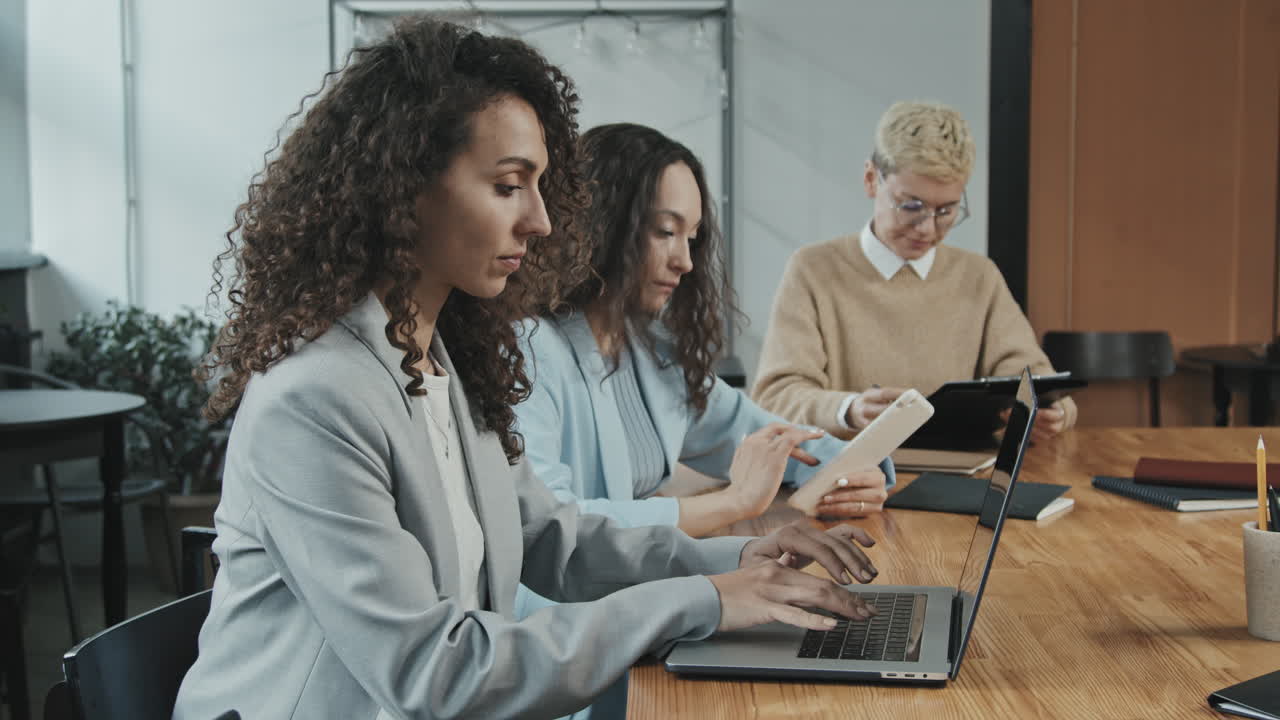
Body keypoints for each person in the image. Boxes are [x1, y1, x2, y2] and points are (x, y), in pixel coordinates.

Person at [172, 19, 885, 720]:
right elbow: (433, 671)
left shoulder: (441, 359)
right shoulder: (315, 399)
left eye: (539, 187)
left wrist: (744, 555)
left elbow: (553, 542)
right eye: (510, 185)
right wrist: (707, 601)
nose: (541, 221)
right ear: (404, 186)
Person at [514, 123, 893, 540]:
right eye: (665, 232)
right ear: (600, 224)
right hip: (573, 600)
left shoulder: (651, 354)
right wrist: (733, 503)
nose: (685, 261)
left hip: (636, 582)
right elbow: (552, 525)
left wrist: (852, 472)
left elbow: (766, 438)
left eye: (691, 238)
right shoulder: (528, 351)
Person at [752, 100, 1076, 445]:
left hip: (965, 478)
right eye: (911, 205)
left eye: (946, 210)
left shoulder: (978, 276)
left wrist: (1051, 412)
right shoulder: (814, 270)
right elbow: (775, 397)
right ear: (870, 180)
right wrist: (848, 409)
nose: (927, 228)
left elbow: (1038, 378)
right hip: (850, 479)